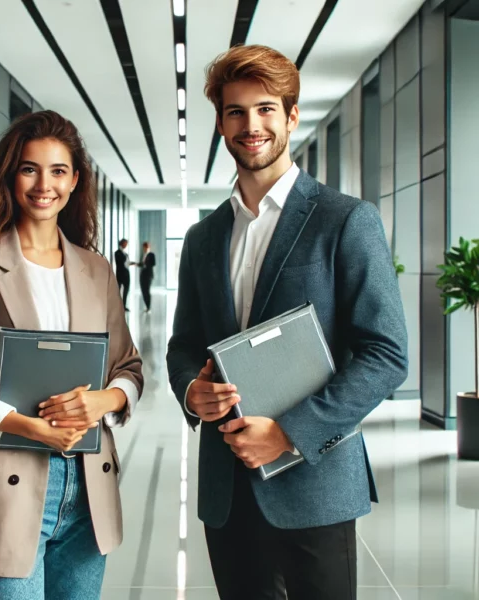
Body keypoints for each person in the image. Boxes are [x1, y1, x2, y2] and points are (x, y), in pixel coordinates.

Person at [166, 45, 408, 600]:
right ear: (221, 123)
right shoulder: (203, 240)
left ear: (291, 116)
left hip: (314, 480)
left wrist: (288, 436)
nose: (251, 126)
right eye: (235, 112)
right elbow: (183, 347)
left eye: (266, 109)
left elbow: (386, 354)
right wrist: (191, 392)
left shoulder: (345, 220)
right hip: (227, 489)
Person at [0, 110, 143, 600]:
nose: (44, 184)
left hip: (87, 488)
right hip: (7, 481)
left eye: (58, 171)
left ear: (75, 181)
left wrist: (104, 402)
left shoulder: (97, 270)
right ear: (10, 175)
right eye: (29, 168)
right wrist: (27, 426)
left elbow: (128, 367)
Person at [137, 241, 156, 313]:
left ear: (147, 247)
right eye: (143, 248)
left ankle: (148, 307)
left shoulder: (151, 254)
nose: (144, 249)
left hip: (148, 275)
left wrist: (145, 264)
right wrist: (137, 264)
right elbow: (141, 264)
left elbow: (153, 263)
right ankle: (147, 306)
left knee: (147, 291)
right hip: (142, 275)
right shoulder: (143, 255)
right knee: (143, 291)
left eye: (145, 247)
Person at [114, 239, 132, 311]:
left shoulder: (126, 254)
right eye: (125, 243)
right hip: (120, 274)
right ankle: (118, 305)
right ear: (121, 243)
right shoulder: (117, 253)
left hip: (126, 274)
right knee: (118, 290)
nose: (126, 245)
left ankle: (123, 305)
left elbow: (127, 263)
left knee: (126, 290)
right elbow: (120, 263)